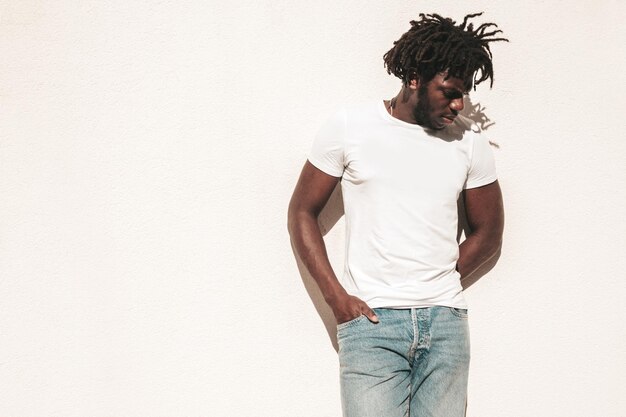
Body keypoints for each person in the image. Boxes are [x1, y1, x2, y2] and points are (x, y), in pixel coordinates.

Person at [288, 12, 507, 417]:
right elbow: (302, 211)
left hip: (445, 324)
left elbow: (489, 231)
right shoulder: (350, 127)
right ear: (414, 80)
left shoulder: (469, 142)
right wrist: (336, 298)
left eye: (463, 94)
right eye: (448, 92)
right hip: (372, 327)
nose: (458, 105)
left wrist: (436, 276)